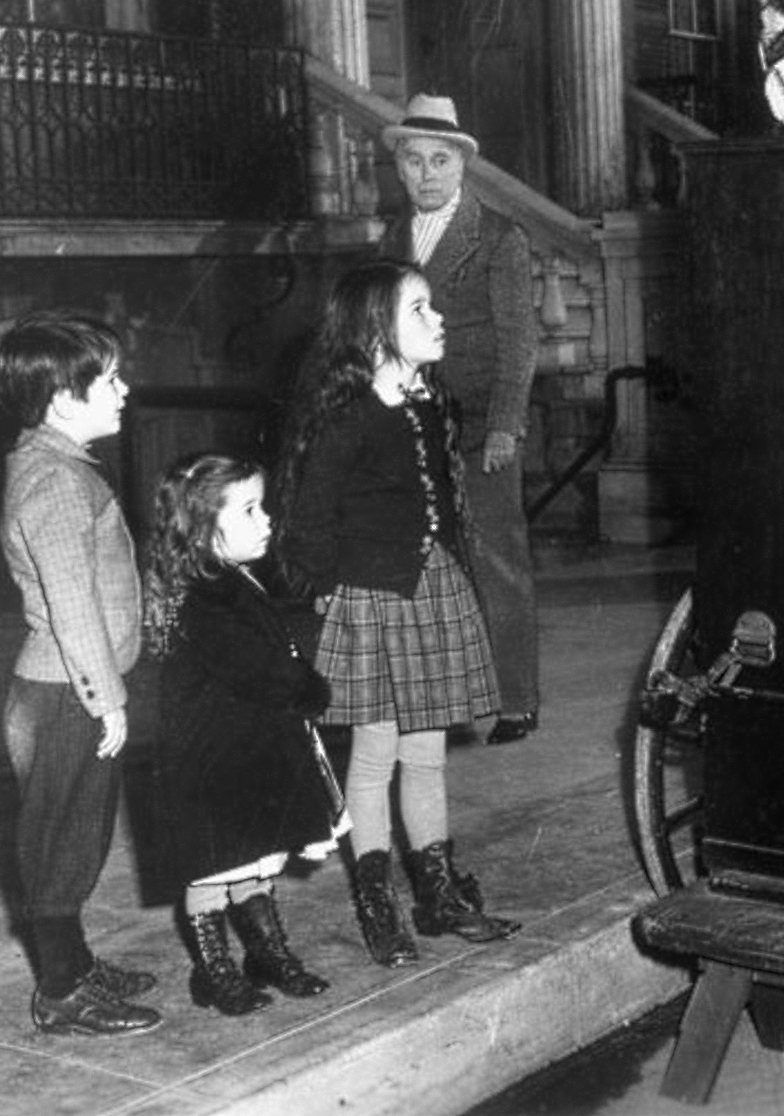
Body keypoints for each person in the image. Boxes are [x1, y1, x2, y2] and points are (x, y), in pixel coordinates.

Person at [275, 261, 521, 967]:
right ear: (375, 330)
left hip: (430, 586)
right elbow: (309, 520)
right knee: (374, 755)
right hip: (372, 596)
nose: (438, 318)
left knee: (426, 754)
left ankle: (437, 893)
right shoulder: (347, 415)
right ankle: (377, 902)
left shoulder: (430, 401)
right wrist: (328, 597)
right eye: (419, 309)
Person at [0, 310, 161, 1037]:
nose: (125, 391)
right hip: (65, 691)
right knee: (61, 842)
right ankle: (60, 991)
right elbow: (71, 603)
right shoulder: (54, 481)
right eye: (111, 380)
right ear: (63, 400)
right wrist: (106, 697)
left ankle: (75, 962)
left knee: (78, 834)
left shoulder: (58, 463)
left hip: (69, 688)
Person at [143, 452, 344, 1017]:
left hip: (247, 750)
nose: (266, 519)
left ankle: (266, 953)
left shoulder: (229, 578)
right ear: (204, 528)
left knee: (255, 855)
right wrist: (309, 688)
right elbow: (259, 670)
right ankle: (214, 971)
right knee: (214, 866)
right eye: (250, 510)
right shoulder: (206, 597)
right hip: (213, 760)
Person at [374, 94, 542, 744]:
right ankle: (443, 702)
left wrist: (505, 424)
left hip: (479, 425)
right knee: (428, 562)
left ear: (462, 165)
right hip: (413, 424)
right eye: (414, 161)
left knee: (495, 559)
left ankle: (516, 700)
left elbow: (519, 341)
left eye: (439, 161)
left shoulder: (498, 237)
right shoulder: (391, 239)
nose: (426, 174)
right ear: (398, 167)